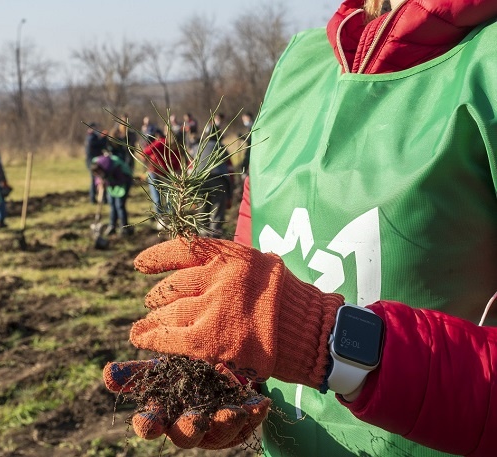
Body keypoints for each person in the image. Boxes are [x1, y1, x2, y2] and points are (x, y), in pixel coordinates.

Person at [104, 0, 497, 456]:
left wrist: (329, 341)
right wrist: (230, 369)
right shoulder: (300, 66)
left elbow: (297, 322)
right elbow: (262, 256)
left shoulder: (485, 66)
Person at [141, 130, 182, 228]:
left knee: (169, 197)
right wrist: (149, 164)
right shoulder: (161, 143)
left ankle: (169, 218)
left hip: (167, 175)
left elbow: (177, 165)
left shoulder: (177, 149)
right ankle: (161, 219)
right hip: (154, 173)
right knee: (157, 198)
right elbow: (144, 152)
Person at [91, 152, 133, 236]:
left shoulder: (115, 167)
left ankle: (124, 227)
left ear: (102, 169)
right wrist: (99, 183)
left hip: (123, 183)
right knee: (112, 205)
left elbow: (122, 179)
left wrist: (107, 183)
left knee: (120, 206)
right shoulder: (96, 166)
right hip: (111, 183)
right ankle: (112, 226)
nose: (98, 175)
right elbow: (98, 178)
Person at [85, 123, 107, 204]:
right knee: (95, 180)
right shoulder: (91, 138)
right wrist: (104, 137)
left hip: (92, 161)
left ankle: (95, 198)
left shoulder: (91, 137)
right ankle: (93, 198)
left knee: (96, 180)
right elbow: (99, 144)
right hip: (93, 163)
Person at [239, 112, 253, 177]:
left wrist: (243, 138)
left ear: (249, 118)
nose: (244, 121)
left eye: (244, 119)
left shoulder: (252, 126)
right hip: (250, 147)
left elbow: (251, 139)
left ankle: (244, 173)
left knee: (247, 159)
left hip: (251, 148)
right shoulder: (250, 126)